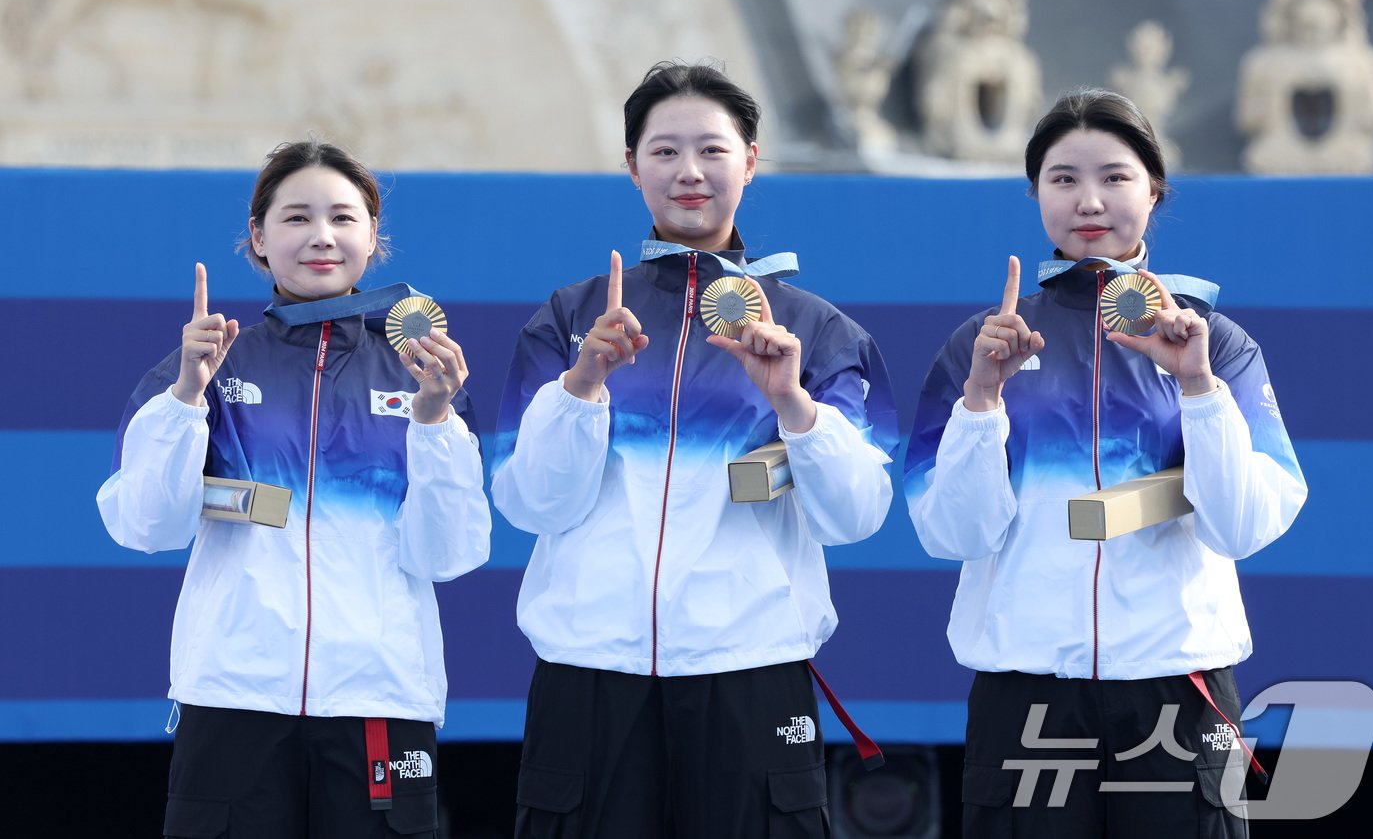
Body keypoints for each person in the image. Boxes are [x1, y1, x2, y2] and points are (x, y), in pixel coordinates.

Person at [492, 61, 899, 837]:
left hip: (750, 670)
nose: (689, 172)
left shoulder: (815, 331)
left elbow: (856, 514)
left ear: (750, 159)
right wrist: (582, 384)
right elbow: (529, 501)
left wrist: (791, 400)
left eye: (712, 150)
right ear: (631, 166)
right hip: (590, 671)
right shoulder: (571, 318)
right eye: (665, 150)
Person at [903, 88, 1307, 837]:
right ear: (1035, 193)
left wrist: (1197, 385)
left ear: (1154, 189)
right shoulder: (983, 343)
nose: (1090, 200)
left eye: (1116, 177)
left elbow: (1245, 523)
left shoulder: (1217, 342)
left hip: (1176, 688)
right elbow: (950, 532)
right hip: (1028, 691)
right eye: (1063, 179)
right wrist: (983, 397)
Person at [96, 141, 491, 838]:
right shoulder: (211, 363)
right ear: (258, 235)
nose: (321, 236)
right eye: (296, 217)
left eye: (342, 217)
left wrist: (435, 421)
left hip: (380, 700)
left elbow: (448, 554)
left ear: (373, 236)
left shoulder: (419, 373)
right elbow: (145, 525)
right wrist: (188, 396)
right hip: (233, 698)